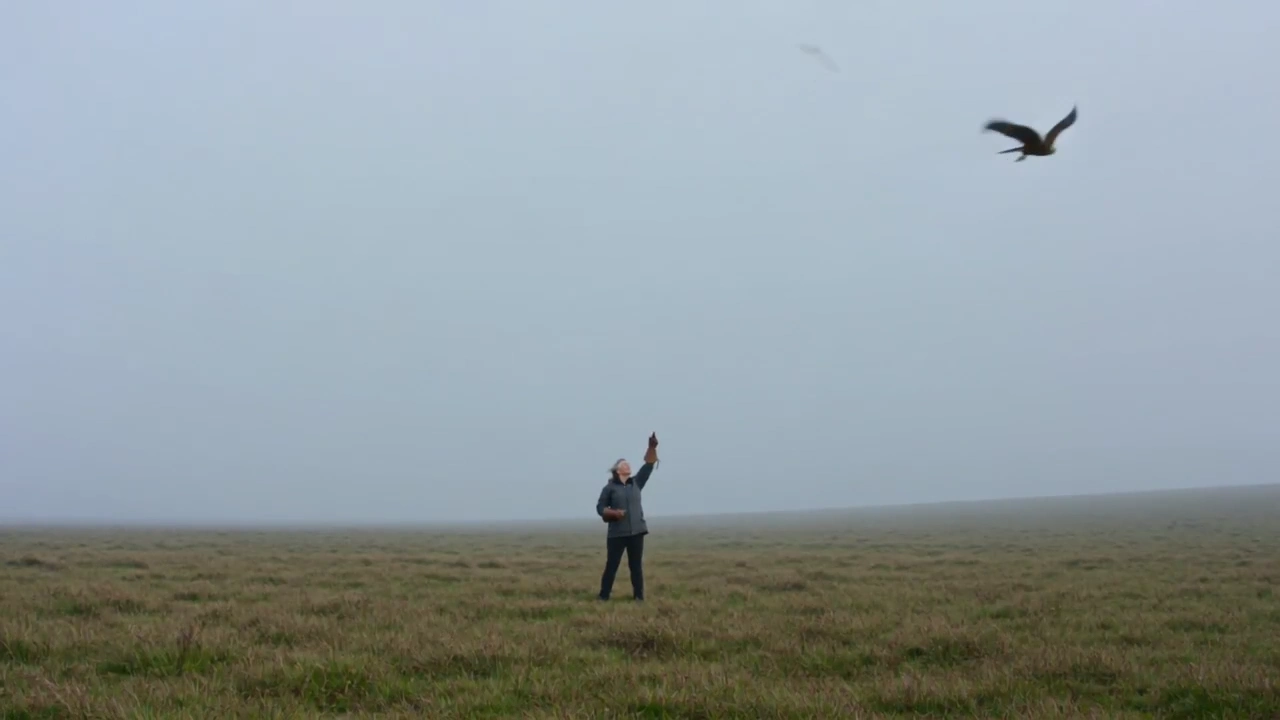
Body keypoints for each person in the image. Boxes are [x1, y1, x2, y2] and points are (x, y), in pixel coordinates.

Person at [595, 432, 659, 602]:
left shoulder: (636, 483)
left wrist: (652, 447)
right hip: (617, 534)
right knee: (612, 566)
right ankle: (603, 596)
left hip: (637, 532)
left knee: (636, 567)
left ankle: (639, 597)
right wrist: (613, 513)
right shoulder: (609, 488)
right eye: (624, 464)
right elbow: (600, 508)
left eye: (628, 464)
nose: (628, 465)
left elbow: (649, 465)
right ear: (617, 470)